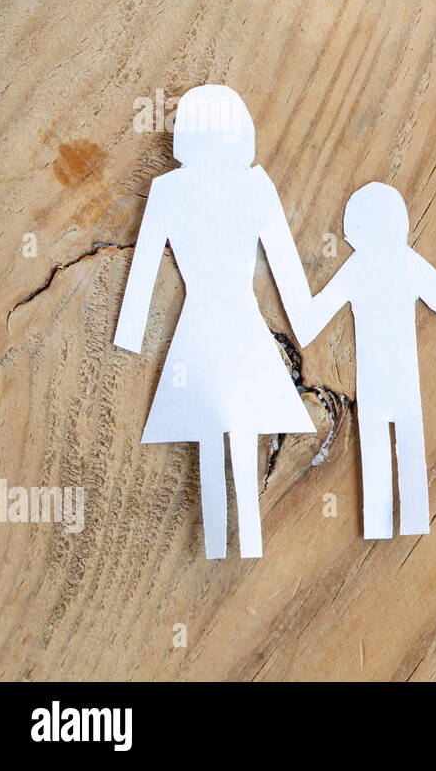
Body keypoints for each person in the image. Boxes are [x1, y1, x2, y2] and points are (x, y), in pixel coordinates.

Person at [114, 85, 316, 559]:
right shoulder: (250, 185)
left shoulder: (173, 189)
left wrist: (131, 334)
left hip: (205, 323)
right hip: (228, 319)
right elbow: (284, 264)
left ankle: (232, 539)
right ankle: (241, 537)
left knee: (212, 425)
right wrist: (306, 318)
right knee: (235, 420)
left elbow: (145, 264)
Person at [295, 182, 436, 538]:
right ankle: (401, 519)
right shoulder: (400, 262)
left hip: (378, 381)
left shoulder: (363, 266)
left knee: (383, 444)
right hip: (393, 380)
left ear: (354, 231)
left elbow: (312, 317)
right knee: (400, 440)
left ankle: (394, 521)